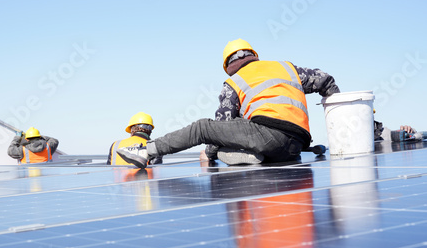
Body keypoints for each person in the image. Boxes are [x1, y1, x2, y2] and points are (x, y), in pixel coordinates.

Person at [117, 38, 340, 168]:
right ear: (253, 55)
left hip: (269, 138)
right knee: (247, 129)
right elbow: (325, 80)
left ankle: (146, 152)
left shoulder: (234, 82)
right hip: (297, 145)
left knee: (202, 128)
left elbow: (221, 126)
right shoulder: (287, 67)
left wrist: (211, 153)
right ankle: (252, 154)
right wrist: (340, 129)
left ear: (228, 64)